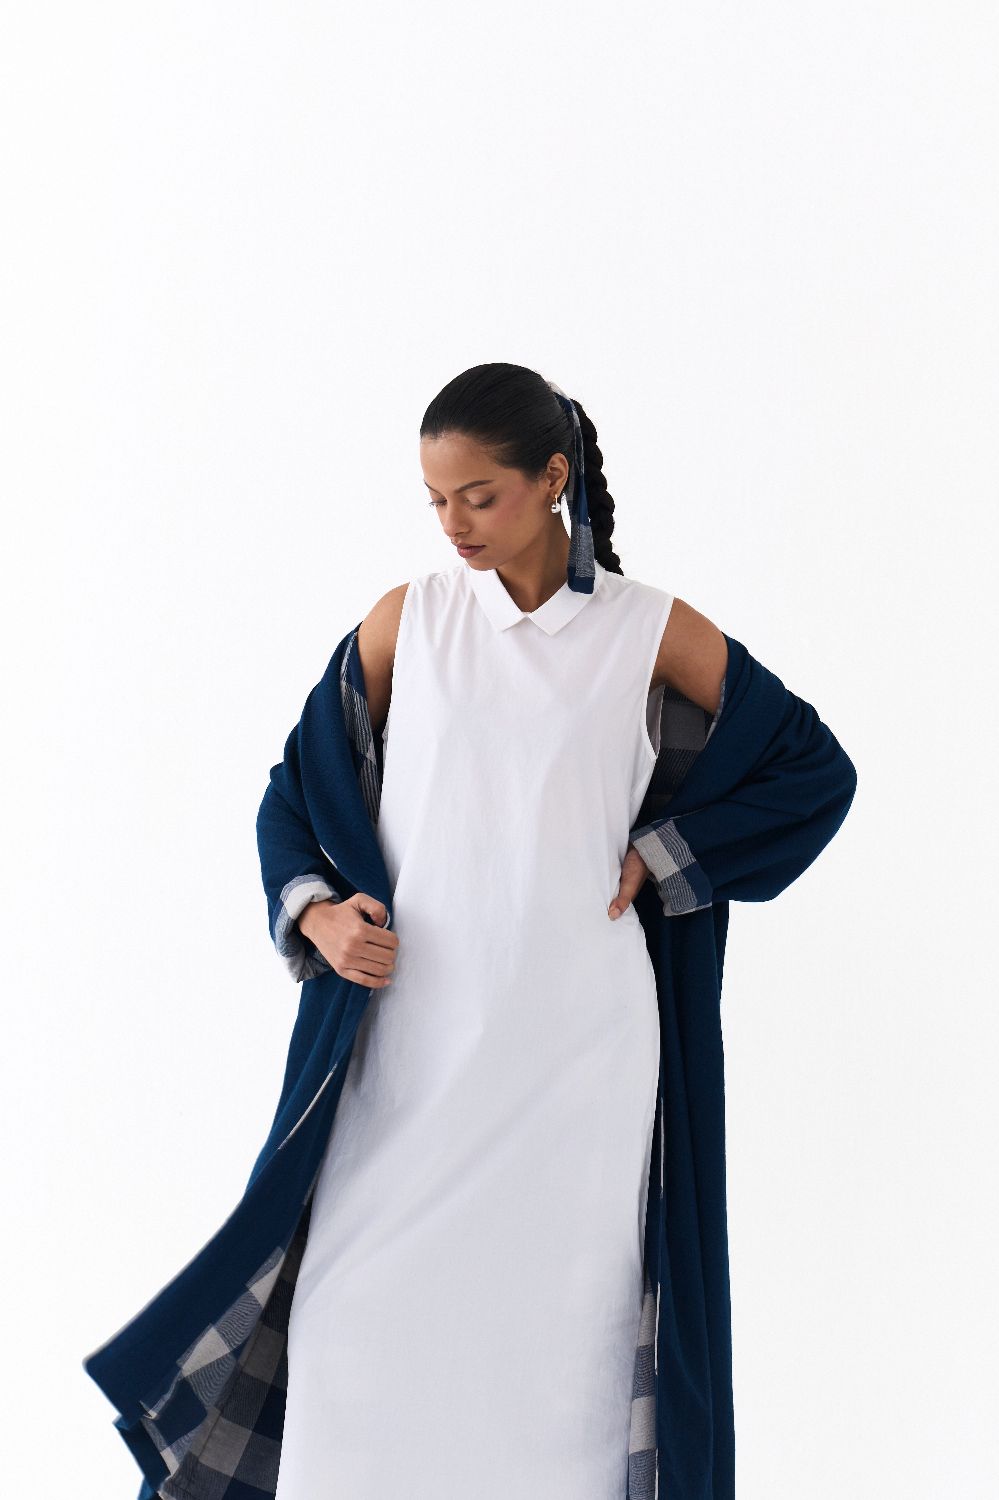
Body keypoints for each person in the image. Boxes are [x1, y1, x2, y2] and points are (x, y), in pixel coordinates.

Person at [271, 361, 729, 1499]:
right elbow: (295, 791)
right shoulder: (410, 620)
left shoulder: (644, 629)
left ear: (552, 478)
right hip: (410, 1042)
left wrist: (666, 854)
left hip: (578, 1055)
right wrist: (318, 915)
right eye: (436, 499)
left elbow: (808, 767)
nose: (453, 523)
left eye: (478, 495)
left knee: (558, 1358)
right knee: (343, 1328)